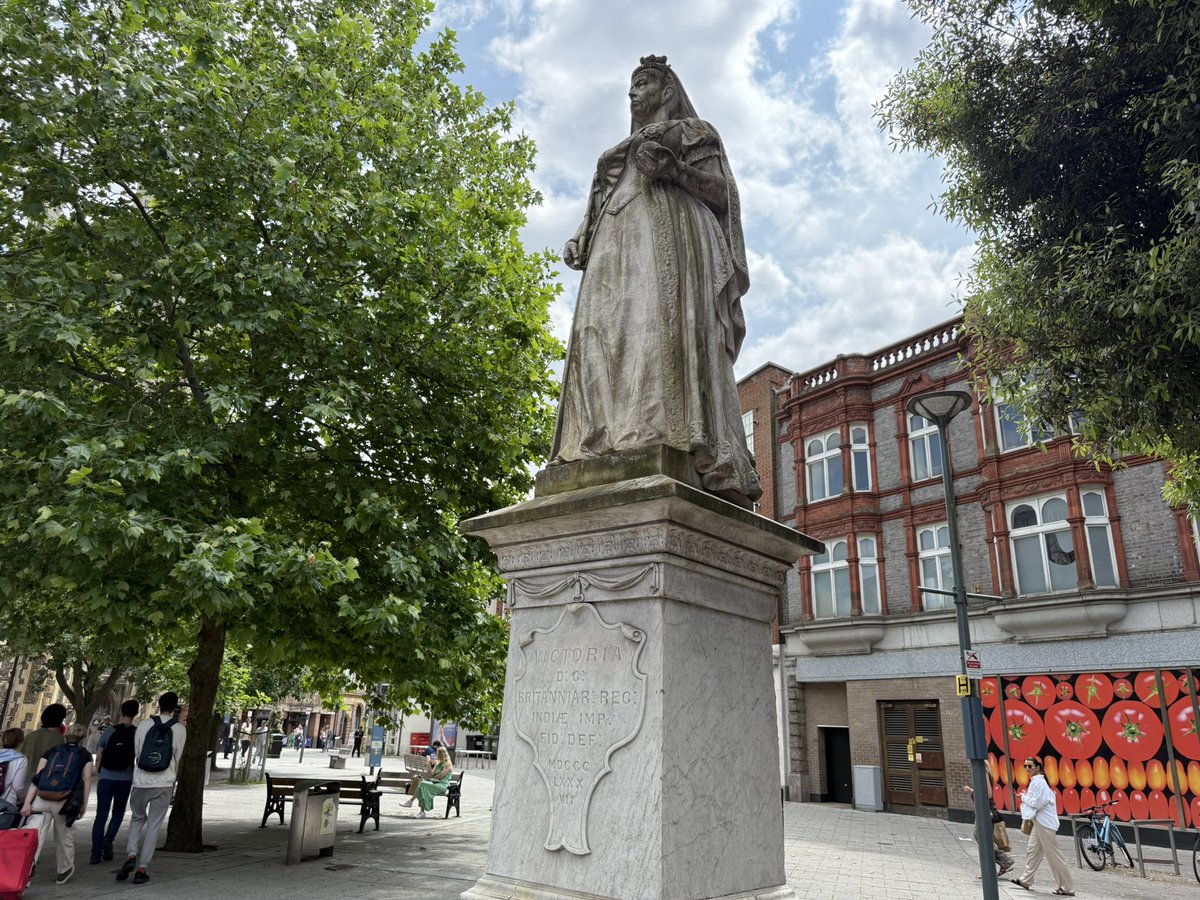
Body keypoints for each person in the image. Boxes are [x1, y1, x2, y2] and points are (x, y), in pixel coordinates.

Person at [551, 55, 761, 507]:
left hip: (669, 239)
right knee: (597, 334)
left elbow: (724, 196)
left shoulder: (693, 133)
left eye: (641, 83)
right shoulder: (614, 154)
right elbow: (602, 202)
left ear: (666, 91)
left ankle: (663, 431)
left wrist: (674, 171)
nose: (632, 93)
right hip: (613, 247)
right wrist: (580, 236)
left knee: (657, 329)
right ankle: (600, 435)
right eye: (630, 85)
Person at [118, 691, 186, 885]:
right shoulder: (180, 729)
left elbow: (138, 752)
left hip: (141, 780)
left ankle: (131, 854)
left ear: (158, 703)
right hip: (164, 782)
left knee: (137, 818)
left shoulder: (144, 725)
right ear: (175, 707)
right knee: (154, 825)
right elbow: (177, 756)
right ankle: (142, 868)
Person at [21, 722, 94, 885]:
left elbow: (38, 778)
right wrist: (83, 804)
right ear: (82, 739)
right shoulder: (84, 754)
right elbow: (86, 780)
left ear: (66, 736)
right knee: (63, 837)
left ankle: (26, 870)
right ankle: (64, 870)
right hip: (64, 801)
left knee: (34, 835)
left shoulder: (52, 751)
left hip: (42, 799)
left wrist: (27, 803)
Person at [1010, 756, 1074, 896]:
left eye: (1030, 766)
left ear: (1038, 767)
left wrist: (1023, 797)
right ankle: (1026, 880)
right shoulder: (1036, 782)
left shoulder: (1040, 783)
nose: (1027, 769)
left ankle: (1067, 887)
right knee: (1032, 850)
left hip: (1045, 824)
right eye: (1025, 766)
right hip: (1039, 822)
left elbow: (1038, 803)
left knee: (1053, 856)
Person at [90, 699, 139, 864]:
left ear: (120, 712)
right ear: (136, 714)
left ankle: (95, 853)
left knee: (100, 815)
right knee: (118, 813)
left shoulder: (109, 730)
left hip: (106, 777)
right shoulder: (136, 732)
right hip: (125, 778)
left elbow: (100, 752)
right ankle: (108, 839)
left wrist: (98, 771)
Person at [963, 782, 1014, 877]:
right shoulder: (981, 768)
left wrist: (971, 791)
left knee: (982, 837)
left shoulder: (983, 769)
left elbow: (988, 794)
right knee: (981, 836)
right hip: (984, 809)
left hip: (985, 810)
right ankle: (1002, 862)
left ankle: (992, 868)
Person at [400, 745, 453, 819]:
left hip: (442, 785)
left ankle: (411, 802)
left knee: (422, 784)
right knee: (422, 787)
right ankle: (421, 811)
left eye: (438, 754)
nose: (437, 755)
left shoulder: (448, 763)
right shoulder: (438, 762)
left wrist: (431, 779)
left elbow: (441, 776)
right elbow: (431, 774)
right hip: (435, 783)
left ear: (442, 754)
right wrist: (429, 765)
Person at [18, 703, 67, 770]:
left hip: (25, 776)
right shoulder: (61, 740)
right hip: (45, 778)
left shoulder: (30, 736)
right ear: (61, 719)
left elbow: (18, 757)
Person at [0, 727, 28, 828]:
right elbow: (18, 787)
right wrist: (26, 800)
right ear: (20, 742)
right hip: (6, 805)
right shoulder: (21, 759)